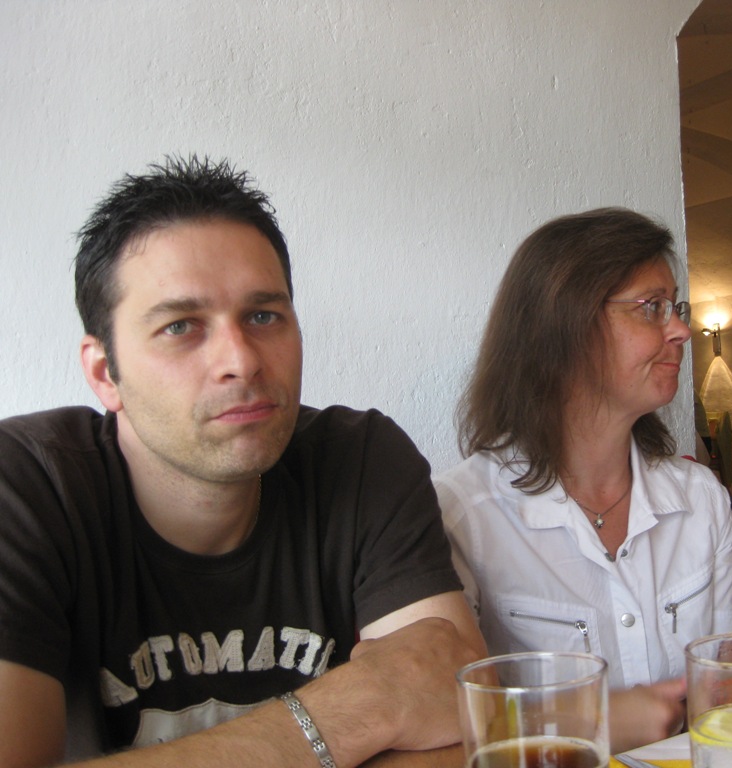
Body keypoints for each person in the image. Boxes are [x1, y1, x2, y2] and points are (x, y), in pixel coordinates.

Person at [0, 155, 486, 768]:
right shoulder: (25, 486)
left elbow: (462, 728)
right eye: (181, 326)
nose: (242, 360)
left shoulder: (361, 460)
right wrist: (352, 707)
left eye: (263, 316)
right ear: (105, 374)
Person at [434, 208, 732, 751]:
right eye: (651, 307)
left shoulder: (701, 500)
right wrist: (593, 719)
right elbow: (448, 729)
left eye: (676, 307)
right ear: (565, 326)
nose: (680, 330)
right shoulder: (464, 518)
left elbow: (727, 693)